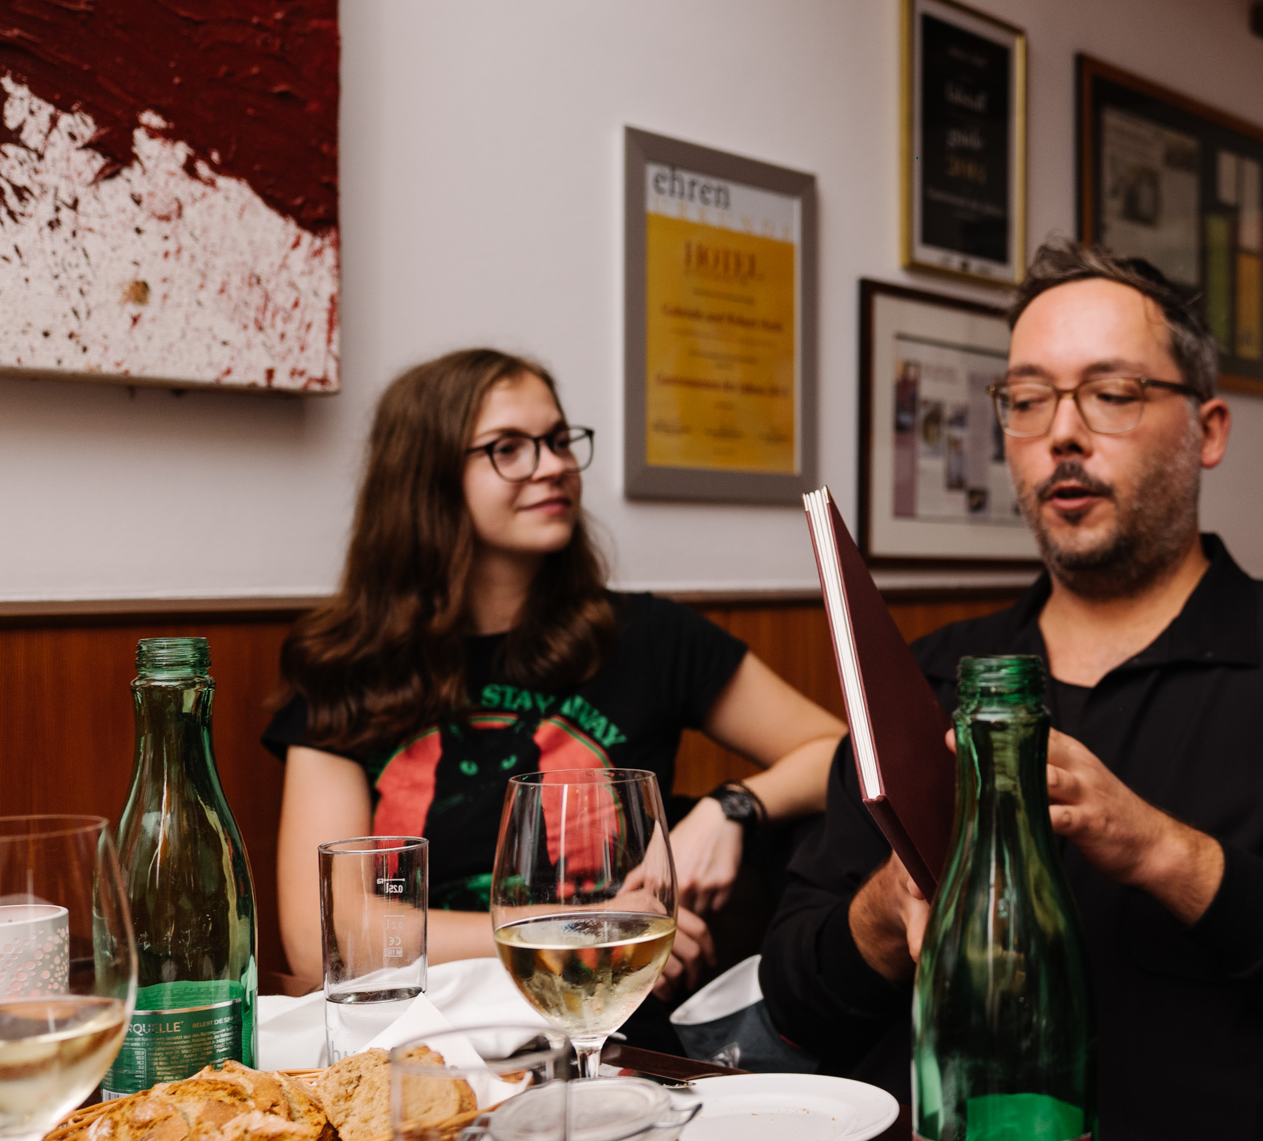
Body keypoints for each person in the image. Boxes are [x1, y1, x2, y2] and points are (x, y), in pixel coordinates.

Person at [759, 242, 1263, 1141]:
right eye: (1028, 400)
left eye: (1111, 393)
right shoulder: (931, 682)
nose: (1063, 433)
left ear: (1208, 429)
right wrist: (892, 902)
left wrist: (1166, 854)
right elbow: (795, 1002)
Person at [265, 348, 846, 997]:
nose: (554, 466)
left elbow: (844, 755)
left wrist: (731, 807)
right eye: (508, 448)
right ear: (425, 476)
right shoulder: (347, 663)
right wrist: (584, 931)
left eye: (560, 441)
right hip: (418, 1036)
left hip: (613, 1023)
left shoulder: (650, 636)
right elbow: (323, 938)